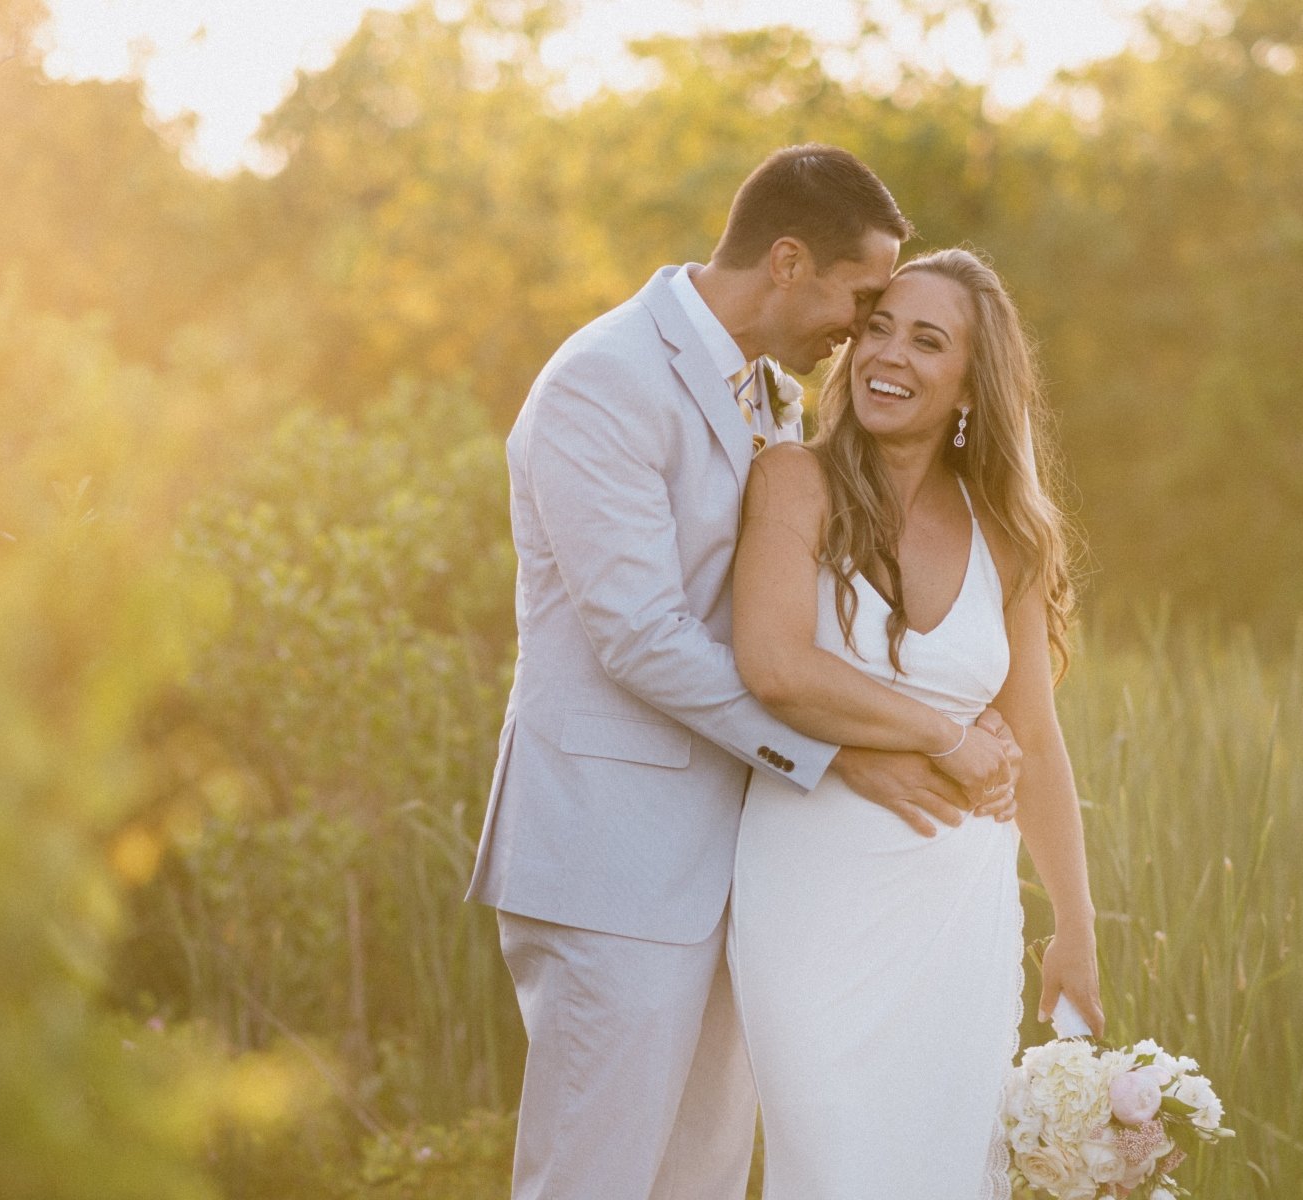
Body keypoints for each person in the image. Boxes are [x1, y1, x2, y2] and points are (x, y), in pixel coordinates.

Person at [466, 146, 1019, 1200]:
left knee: (701, 1182)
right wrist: (841, 747)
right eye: (861, 298)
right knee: (593, 1181)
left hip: (730, 870)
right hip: (611, 860)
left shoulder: (764, 391)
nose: (860, 330)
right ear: (788, 261)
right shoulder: (603, 381)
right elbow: (639, 634)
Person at [726, 248, 1105, 1198]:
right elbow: (775, 666)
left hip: (961, 906)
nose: (887, 355)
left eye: (927, 341)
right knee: (830, 1162)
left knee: (946, 1170)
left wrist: (1075, 924)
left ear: (973, 382)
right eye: (879, 327)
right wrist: (940, 733)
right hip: (811, 896)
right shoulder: (793, 480)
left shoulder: (1008, 530)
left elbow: (1039, 735)